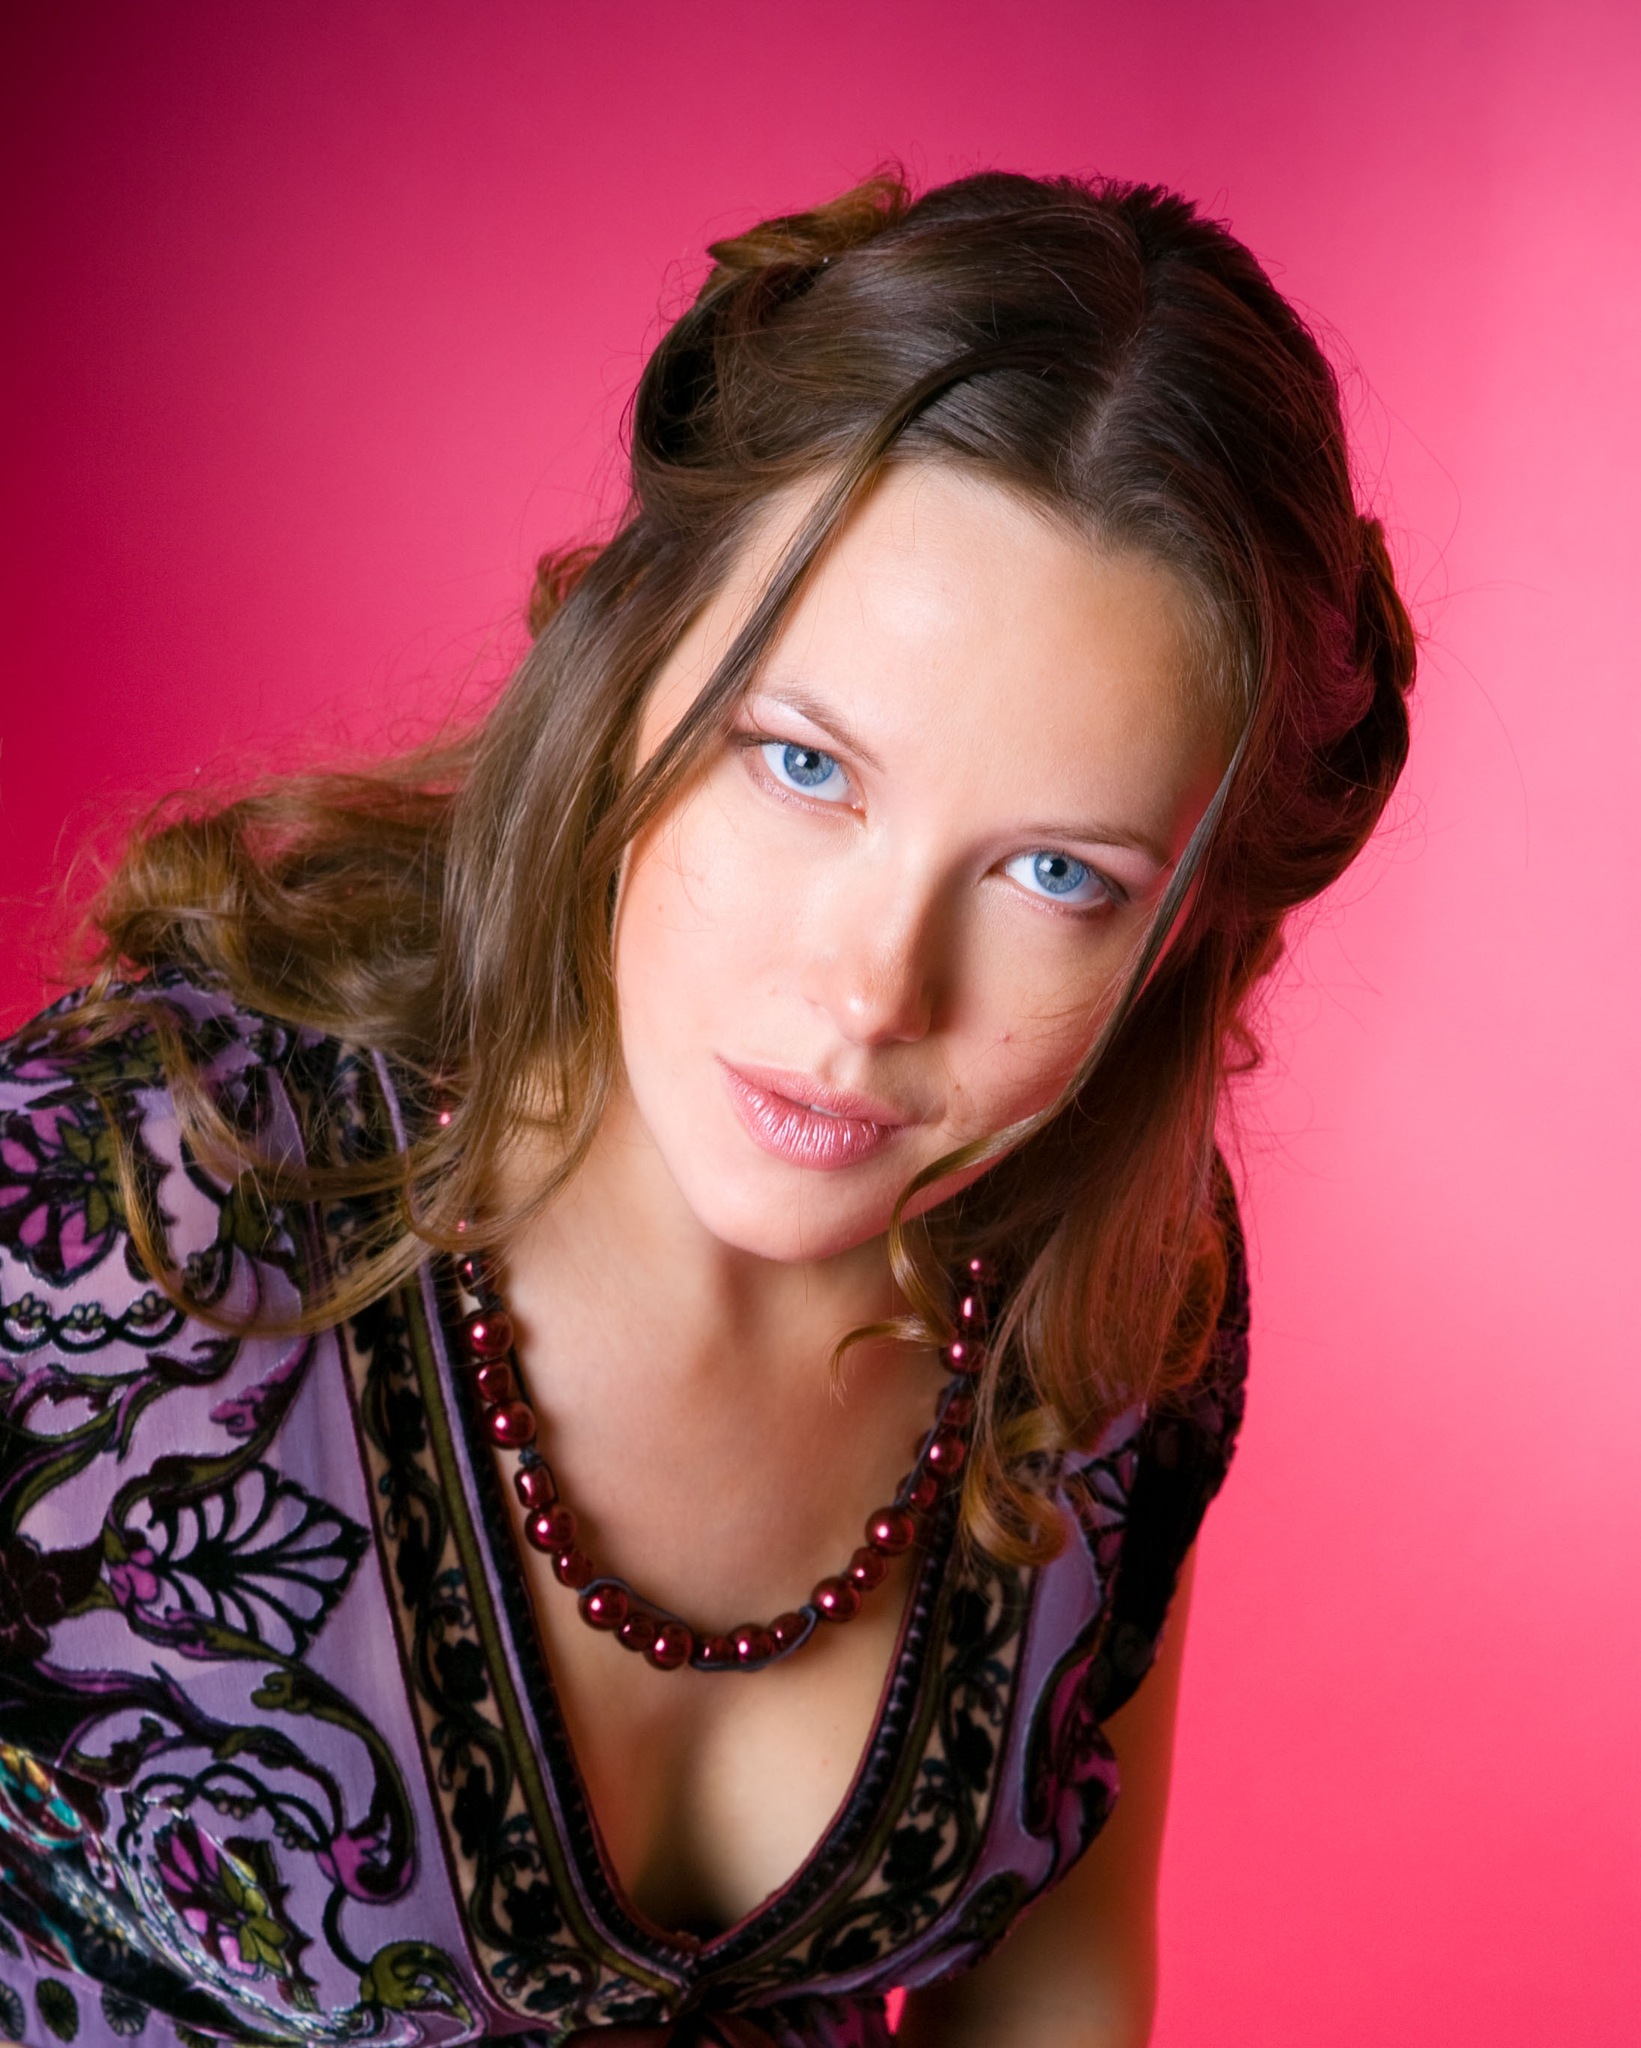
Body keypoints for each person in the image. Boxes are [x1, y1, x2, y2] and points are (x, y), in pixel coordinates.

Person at [0, 169, 1414, 2048]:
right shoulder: (120, 1215)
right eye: (803, 765)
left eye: (1056, 875)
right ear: (624, 664)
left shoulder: (1114, 1282)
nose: (868, 995)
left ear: (1182, 932)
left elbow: (1052, 1994)